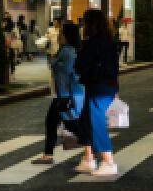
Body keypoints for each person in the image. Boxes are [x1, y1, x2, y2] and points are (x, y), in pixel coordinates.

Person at [74, 9, 120, 177]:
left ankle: (108, 161)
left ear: (90, 24)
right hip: (106, 84)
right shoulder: (109, 41)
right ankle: (88, 158)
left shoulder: (92, 43)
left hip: (97, 85)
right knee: (86, 119)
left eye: (84, 22)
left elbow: (81, 66)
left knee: (95, 121)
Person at [34, 22, 85, 165]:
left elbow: (66, 71)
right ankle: (48, 155)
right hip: (66, 93)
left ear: (67, 35)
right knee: (53, 121)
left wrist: (53, 62)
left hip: (66, 94)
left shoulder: (68, 51)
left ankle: (93, 145)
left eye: (62, 33)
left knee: (69, 124)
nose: (59, 36)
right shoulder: (69, 49)